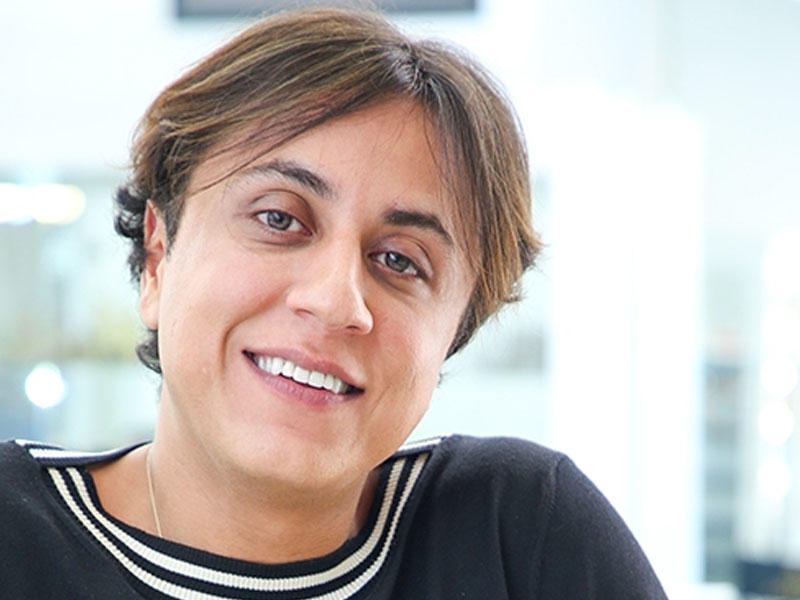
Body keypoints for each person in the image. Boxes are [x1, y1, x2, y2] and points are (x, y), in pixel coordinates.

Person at [0, 7, 668, 599]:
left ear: (454, 335)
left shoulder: (519, 539)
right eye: (279, 219)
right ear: (157, 258)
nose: (334, 301)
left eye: (400, 261)